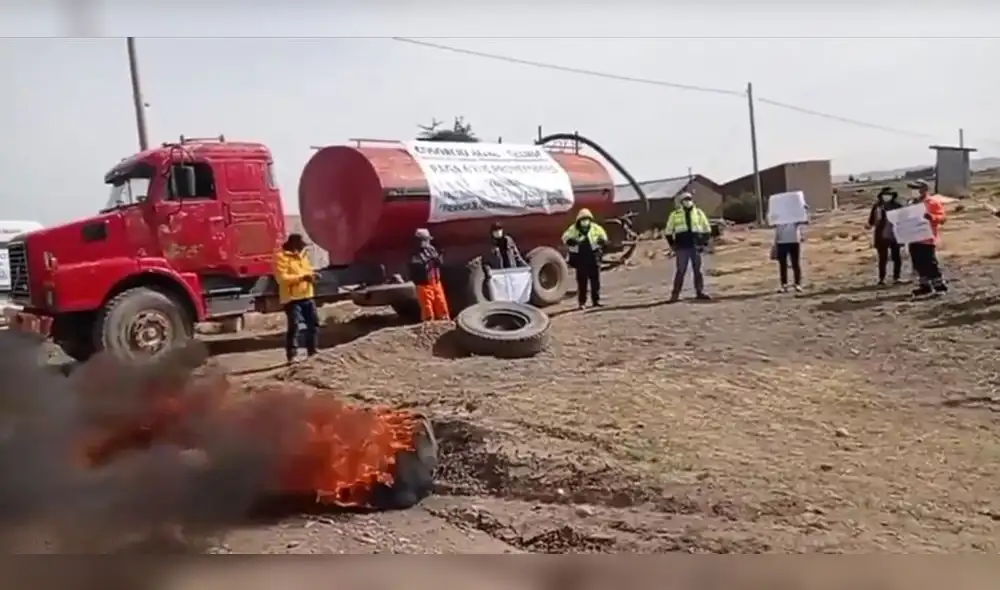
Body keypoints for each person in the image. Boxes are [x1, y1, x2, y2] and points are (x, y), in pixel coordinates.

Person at [273, 233, 319, 363]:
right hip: (292, 298)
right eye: (300, 246)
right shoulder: (280, 257)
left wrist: (313, 276)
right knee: (294, 327)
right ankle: (292, 356)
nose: (302, 248)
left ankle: (312, 352)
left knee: (314, 324)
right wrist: (302, 278)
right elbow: (282, 278)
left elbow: (307, 271)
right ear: (293, 245)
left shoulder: (303, 256)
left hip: (307, 295)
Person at [665, 192, 712, 302]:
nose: (688, 200)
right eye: (685, 199)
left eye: (689, 198)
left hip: (695, 246)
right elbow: (668, 231)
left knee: (698, 270)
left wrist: (703, 243)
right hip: (682, 247)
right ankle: (675, 295)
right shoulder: (675, 214)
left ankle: (699, 292)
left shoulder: (699, 213)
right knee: (680, 270)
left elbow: (707, 229)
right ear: (681, 201)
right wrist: (673, 245)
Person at [906, 179, 948, 296]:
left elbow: (943, 218)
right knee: (918, 263)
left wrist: (931, 217)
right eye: (912, 188)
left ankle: (939, 286)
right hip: (913, 238)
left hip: (926, 238)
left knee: (930, 262)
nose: (913, 191)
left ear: (924, 189)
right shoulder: (910, 203)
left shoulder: (933, 203)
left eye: (915, 188)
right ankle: (925, 286)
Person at [562, 208, 608, 309]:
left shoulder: (595, 228)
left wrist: (602, 241)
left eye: (586, 219)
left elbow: (604, 237)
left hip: (593, 256)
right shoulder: (573, 229)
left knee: (595, 281)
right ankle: (582, 303)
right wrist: (571, 241)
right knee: (582, 282)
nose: (585, 222)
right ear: (579, 220)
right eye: (583, 219)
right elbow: (565, 237)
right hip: (580, 258)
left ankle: (596, 301)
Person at [408, 228, 450, 321]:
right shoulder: (414, 253)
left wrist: (439, 256)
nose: (427, 242)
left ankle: (444, 322)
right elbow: (417, 265)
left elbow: (439, 263)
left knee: (441, 304)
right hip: (424, 284)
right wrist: (430, 259)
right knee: (427, 307)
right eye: (425, 240)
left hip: (436, 281)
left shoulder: (431, 249)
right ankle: (429, 325)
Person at [865, 187, 904, 285]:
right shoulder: (877, 206)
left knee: (896, 257)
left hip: (895, 235)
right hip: (881, 235)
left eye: (889, 194)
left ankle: (897, 277)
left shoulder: (898, 206)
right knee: (882, 258)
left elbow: (903, 220)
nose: (887, 196)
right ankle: (882, 278)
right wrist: (869, 225)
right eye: (885, 194)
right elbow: (871, 221)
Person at [772, 212, 808, 293]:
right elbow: (776, 230)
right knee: (783, 264)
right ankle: (784, 285)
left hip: (794, 241)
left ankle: (797, 284)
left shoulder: (794, 215)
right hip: (782, 242)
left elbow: (804, 219)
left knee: (795, 263)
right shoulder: (779, 216)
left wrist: (803, 210)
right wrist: (775, 244)